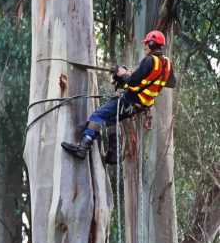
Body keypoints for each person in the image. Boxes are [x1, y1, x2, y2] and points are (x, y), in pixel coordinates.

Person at [61, 30, 176, 164]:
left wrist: (123, 74)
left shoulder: (149, 60)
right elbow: (172, 83)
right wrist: (146, 77)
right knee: (111, 119)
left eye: (146, 44)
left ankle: (83, 147)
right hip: (139, 106)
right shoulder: (167, 63)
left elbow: (132, 81)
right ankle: (114, 153)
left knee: (97, 115)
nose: (144, 47)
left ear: (151, 43)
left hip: (129, 100)